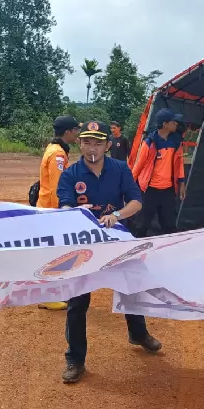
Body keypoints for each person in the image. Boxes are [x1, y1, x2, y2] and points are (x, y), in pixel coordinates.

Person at [56, 120, 161, 384]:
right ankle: (75, 359)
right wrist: (81, 216)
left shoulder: (121, 169)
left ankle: (138, 333)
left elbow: (136, 202)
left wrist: (116, 214)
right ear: (79, 143)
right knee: (77, 302)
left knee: (131, 285)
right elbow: (65, 208)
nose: (92, 147)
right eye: (87, 141)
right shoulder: (70, 174)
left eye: (98, 142)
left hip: (117, 241)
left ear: (108, 145)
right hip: (83, 245)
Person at [37, 115, 81, 311]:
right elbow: (58, 187)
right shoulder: (58, 155)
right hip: (52, 209)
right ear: (68, 132)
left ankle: (53, 292)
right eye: (76, 130)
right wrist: (63, 212)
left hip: (47, 207)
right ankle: (47, 295)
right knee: (53, 253)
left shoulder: (54, 149)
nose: (78, 134)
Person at [131, 108, 187, 236]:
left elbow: (179, 164)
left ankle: (169, 251)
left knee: (169, 225)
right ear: (165, 124)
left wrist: (182, 183)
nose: (176, 124)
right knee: (142, 224)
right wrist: (128, 187)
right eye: (173, 122)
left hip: (168, 190)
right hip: (150, 190)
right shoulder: (149, 143)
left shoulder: (176, 141)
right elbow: (138, 167)